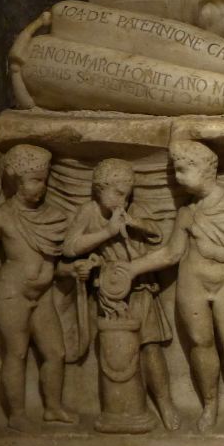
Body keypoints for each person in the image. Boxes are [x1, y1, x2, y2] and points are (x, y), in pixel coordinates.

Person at [120, 140, 224, 431]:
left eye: (182, 171)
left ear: (206, 170)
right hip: (192, 283)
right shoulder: (188, 212)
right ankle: (209, 405)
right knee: (201, 346)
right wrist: (132, 268)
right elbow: (172, 253)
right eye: (175, 172)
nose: (177, 178)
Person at [63, 157, 180, 430]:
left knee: (150, 348)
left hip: (140, 288)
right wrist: (107, 232)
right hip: (111, 293)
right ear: (98, 188)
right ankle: (120, 409)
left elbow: (157, 235)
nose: (121, 200)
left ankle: (164, 402)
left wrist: (134, 222)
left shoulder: (132, 209)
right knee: (117, 351)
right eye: (116, 193)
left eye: (126, 195)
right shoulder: (89, 212)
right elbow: (70, 247)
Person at [0, 145, 81, 431]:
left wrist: (71, 270)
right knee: (16, 353)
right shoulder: (4, 216)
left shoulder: (53, 216)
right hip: (12, 293)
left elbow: (54, 264)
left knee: (55, 352)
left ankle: (53, 408)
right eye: (34, 180)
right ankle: (17, 413)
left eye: (44, 180)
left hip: (42, 295)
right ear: (17, 181)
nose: (41, 187)